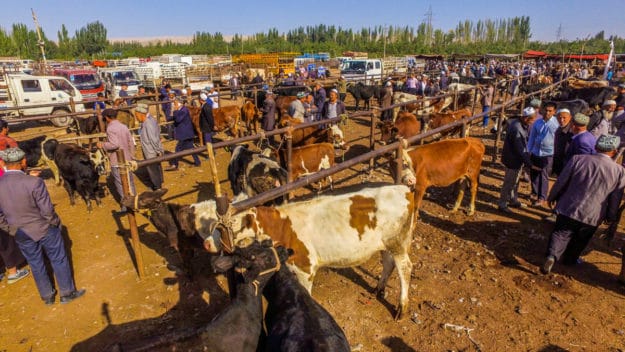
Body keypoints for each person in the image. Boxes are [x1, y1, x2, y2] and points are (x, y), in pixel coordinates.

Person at [0, 148, 85, 304]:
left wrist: (11, 229)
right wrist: (54, 224)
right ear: (23, 162)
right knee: (58, 258)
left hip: (19, 231)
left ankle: (47, 296)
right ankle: (67, 292)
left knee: (35, 263)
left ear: (4, 163)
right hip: (43, 228)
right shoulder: (34, 183)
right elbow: (47, 211)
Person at [541, 135, 625, 274]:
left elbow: (561, 181)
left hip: (569, 207)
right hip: (593, 214)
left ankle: (551, 256)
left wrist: (552, 196)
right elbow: (615, 197)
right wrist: (610, 216)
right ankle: (570, 260)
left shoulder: (578, 159)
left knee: (560, 233)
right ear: (614, 151)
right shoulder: (619, 172)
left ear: (596, 147)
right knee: (581, 239)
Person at [497, 107, 535, 213]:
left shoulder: (520, 124)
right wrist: (529, 163)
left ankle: (513, 199)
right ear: (527, 118)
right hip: (513, 159)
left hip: (516, 159)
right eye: (532, 119)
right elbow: (520, 149)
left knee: (515, 181)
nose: (532, 122)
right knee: (509, 182)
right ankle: (502, 204)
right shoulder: (517, 128)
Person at [97, 109, 136, 209]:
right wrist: (131, 156)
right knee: (130, 181)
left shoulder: (110, 129)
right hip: (127, 158)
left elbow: (114, 144)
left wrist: (103, 145)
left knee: (120, 183)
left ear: (106, 118)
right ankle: (135, 201)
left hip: (117, 160)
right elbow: (130, 142)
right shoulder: (123, 126)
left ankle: (126, 206)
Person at [527, 102, 559, 207]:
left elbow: (557, 140)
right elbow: (532, 137)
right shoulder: (537, 123)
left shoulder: (556, 124)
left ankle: (542, 197)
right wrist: (529, 150)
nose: (547, 113)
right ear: (542, 110)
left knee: (543, 175)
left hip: (548, 153)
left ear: (554, 112)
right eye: (546, 110)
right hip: (536, 152)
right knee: (534, 173)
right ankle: (534, 192)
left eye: (550, 111)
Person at [165, 97, 201, 171]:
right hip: (187, 133)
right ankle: (197, 162)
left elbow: (178, 119)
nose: (174, 105)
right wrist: (171, 113)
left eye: (175, 103)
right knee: (191, 148)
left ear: (179, 103)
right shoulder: (181, 110)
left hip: (185, 134)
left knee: (177, 149)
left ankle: (175, 165)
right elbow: (172, 118)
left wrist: (174, 111)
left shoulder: (184, 110)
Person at [134, 103, 163, 191]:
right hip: (152, 150)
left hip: (151, 151)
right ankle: (159, 182)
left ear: (140, 114)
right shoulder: (150, 120)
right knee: (156, 167)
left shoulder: (148, 123)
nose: (136, 118)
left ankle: (157, 187)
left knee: (152, 169)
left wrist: (158, 150)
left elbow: (153, 139)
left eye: (136, 115)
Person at [552, 108, 574, 176]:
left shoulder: (572, 131)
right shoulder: (558, 129)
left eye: (564, 118)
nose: (561, 120)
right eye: (559, 118)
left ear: (570, 117)